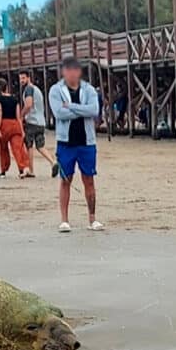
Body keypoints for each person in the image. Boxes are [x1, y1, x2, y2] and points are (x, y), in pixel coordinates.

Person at [48, 57, 104, 232]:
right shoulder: (55, 90)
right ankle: (64, 220)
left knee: (89, 179)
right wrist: (82, 110)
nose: (72, 73)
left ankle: (92, 219)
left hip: (87, 142)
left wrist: (71, 106)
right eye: (68, 70)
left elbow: (94, 110)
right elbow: (59, 113)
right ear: (63, 72)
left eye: (75, 70)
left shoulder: (89, 90)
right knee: (66, 179)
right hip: (65, 141)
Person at [19, 70, 58, 177]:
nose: (21, 81)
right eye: (20, 78)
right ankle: (53, 162)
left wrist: (21, 115)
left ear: (28, 78)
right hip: (41, 122)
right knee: (40, 146)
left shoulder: (29, 89)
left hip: (32, 121)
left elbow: (28, 104)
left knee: (29, 145)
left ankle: (31, 170)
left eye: (23, 78)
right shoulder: (37, 90)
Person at [0, 78, 30, 178]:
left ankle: (3, 170)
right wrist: (22, 130)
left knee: (3, 148)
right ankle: (22, 168)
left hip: (4, 124)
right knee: (17, 148)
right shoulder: (15, 99)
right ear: (7, 87)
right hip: (15, 124)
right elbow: (18, 116)